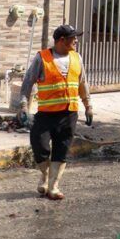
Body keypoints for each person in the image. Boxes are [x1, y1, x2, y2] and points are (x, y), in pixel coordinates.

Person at [19, 24, 93, 200]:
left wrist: (88, 106)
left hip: (69, 114)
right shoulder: (42, 58)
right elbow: (28, 82)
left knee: (62, 150)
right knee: (40, 147)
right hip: (46, 114)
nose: (76, 40)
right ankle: (44, 175)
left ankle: (53, 186)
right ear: (62, 40)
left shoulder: (77, 58)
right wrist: (23, 106)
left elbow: (83, 83)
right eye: (73, 38)